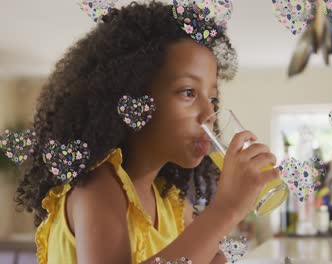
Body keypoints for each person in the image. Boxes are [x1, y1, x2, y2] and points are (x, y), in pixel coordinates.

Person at [14, 2, 280, 263]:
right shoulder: (97, 188)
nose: (207, 115)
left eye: (212, 98)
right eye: (188, 92)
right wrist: (226, 209)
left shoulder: (173, 205)